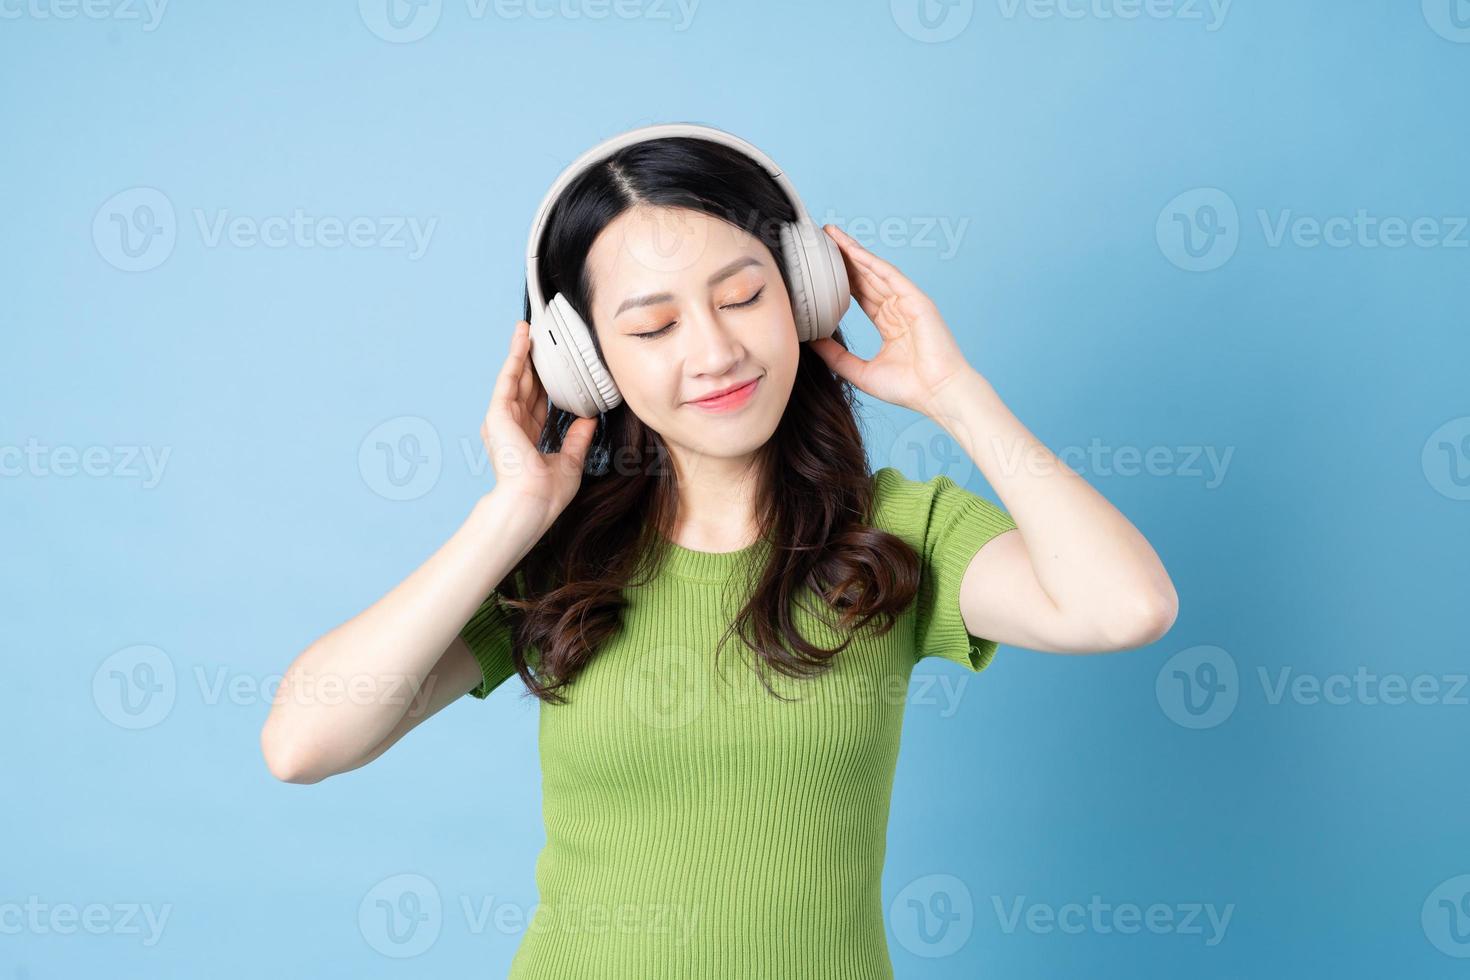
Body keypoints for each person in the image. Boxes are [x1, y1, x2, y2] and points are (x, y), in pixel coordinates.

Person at [260, 126, 1179, 978]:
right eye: (654, 327)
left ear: (806, 293)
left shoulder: (898, 535)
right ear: (584, 363)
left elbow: (1126, 606)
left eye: (744, 296)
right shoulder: (559, 564)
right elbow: (304, 742)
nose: (715, 353)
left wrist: (954, 393)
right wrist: (510, 517)